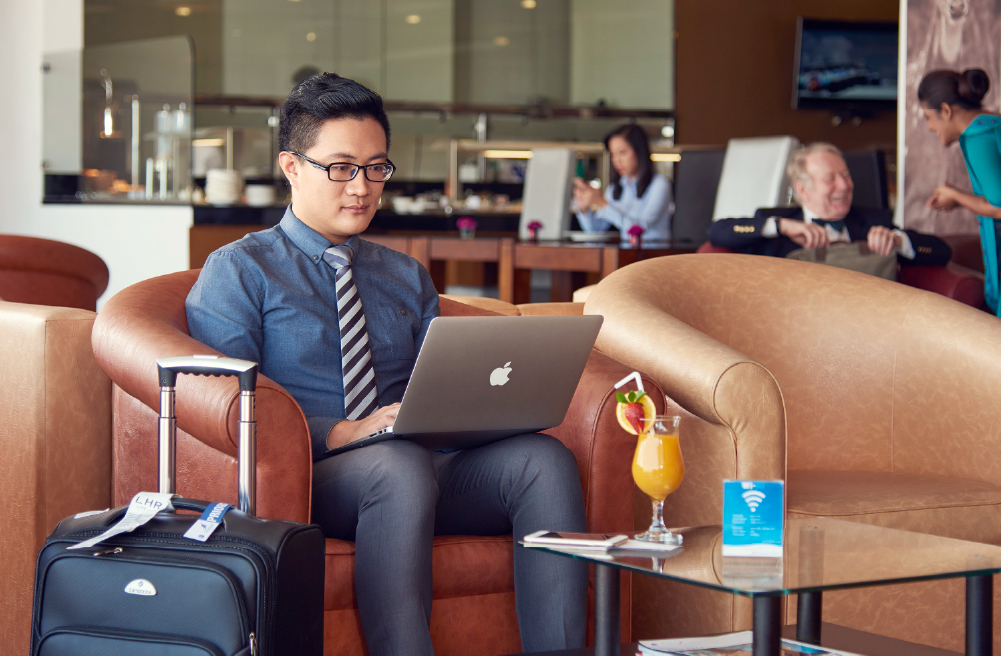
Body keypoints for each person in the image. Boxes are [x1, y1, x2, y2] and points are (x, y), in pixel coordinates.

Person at [185, 73, 587, 656]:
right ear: (292, 166)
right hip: (313, 474)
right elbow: (229, 404)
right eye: (342, 167)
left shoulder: (403, 274)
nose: (362, 187)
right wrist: (347, 432)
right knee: (395, 467)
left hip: (421, 463)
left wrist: (481, 413)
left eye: (377, 168)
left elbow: (439, 385)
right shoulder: (240, 270)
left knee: (543, 461)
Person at [709, 142, 952, 267]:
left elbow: (942, 252)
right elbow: (716, 232)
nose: (844, 186)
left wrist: (897, 240)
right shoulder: (774, 223)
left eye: (845, 175)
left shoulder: (875, 221)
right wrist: (782, 226)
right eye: (830, 180)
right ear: (802, 189)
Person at [919, 68, 1001, 315]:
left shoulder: (977, 137)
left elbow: (998, 207)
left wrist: (955, 195)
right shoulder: (993, 123)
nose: (930, 127)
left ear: (946, 110)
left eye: (928, 117)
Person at [573, 123, 672, 243]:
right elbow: (596, 231)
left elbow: (637, 230)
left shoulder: (659, 185)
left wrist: (602, 203)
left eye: (622, 153)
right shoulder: (616, 187)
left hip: (654, 257)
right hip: (627, 256)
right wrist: (584, 209)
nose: (617, 161)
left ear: (639, 151)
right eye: (613, 155)